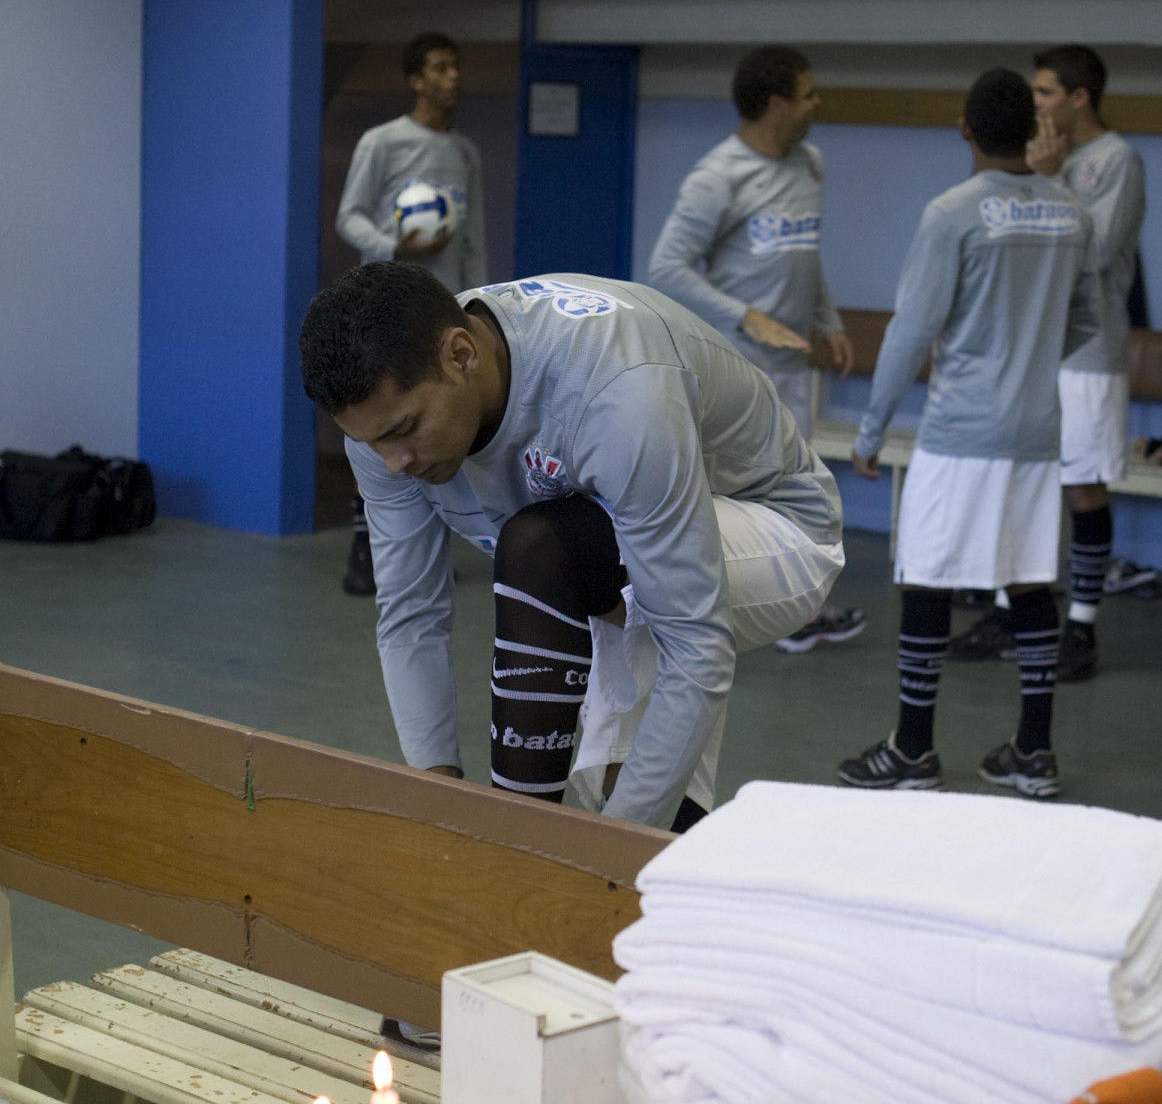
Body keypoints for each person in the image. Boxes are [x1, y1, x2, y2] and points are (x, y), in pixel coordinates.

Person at [299, 265, 845, 833]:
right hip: (634, 542)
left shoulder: (619, 393)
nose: (395, 462)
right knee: (651, 812)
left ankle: (519, 841)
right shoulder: (385, 420)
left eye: (405, 429)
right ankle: (583, 847)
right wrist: (439, 804)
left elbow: (696, 645)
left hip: (780, 532)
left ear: (461, 355)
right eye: (371, 442)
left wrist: (596, 856)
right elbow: (411, 614)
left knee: (546, 549)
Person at [838, 68, 1099, 801]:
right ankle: (1033, 751)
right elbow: (1086, 322)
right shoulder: (1073, 214)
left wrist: (870, 432)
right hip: (1038, 433)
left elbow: (911, 332)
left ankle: (914, 751)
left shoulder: (951, 213)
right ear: (1030, 132)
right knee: (1029, 581)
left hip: (961, 433)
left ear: (965, 130)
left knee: (925, 574)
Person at [647, 44, 864, 655]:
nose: (817, 105)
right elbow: (666, 267)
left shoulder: (809, 163)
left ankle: (794, 613)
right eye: (809, 94)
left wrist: (829, 320)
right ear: (776, 103)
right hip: (737, 368)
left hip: (793, 363)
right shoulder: (718, 176)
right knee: (737, 498)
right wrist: (747, 318)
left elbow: (805, 254)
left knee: (797, 491)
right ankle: (740, 616)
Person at [948, 44, 1146, 680]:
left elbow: (1090, 250)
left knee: (1083, 485)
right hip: (1028, 348)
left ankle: (1082, 626)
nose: (1034, 104)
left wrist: (1051, 180)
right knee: (1024, 480)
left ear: (1079, 97)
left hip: (1087, 349)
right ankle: (1012, 608)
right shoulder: (1034, 160)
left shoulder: (1116, 160)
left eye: (1045, 93)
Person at [334, 31, 488, 596]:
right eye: (441, 68)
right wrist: (396, 249)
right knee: (383, 422)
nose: (454, 77)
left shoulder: (465, 152)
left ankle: (434, 545)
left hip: (443, 313)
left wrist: (479, 303)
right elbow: (348, 218)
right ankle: (364, 543)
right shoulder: (383, 142)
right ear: (416, 79)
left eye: (457, 66)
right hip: (387, 306)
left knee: (437, 427)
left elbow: (473, 239)